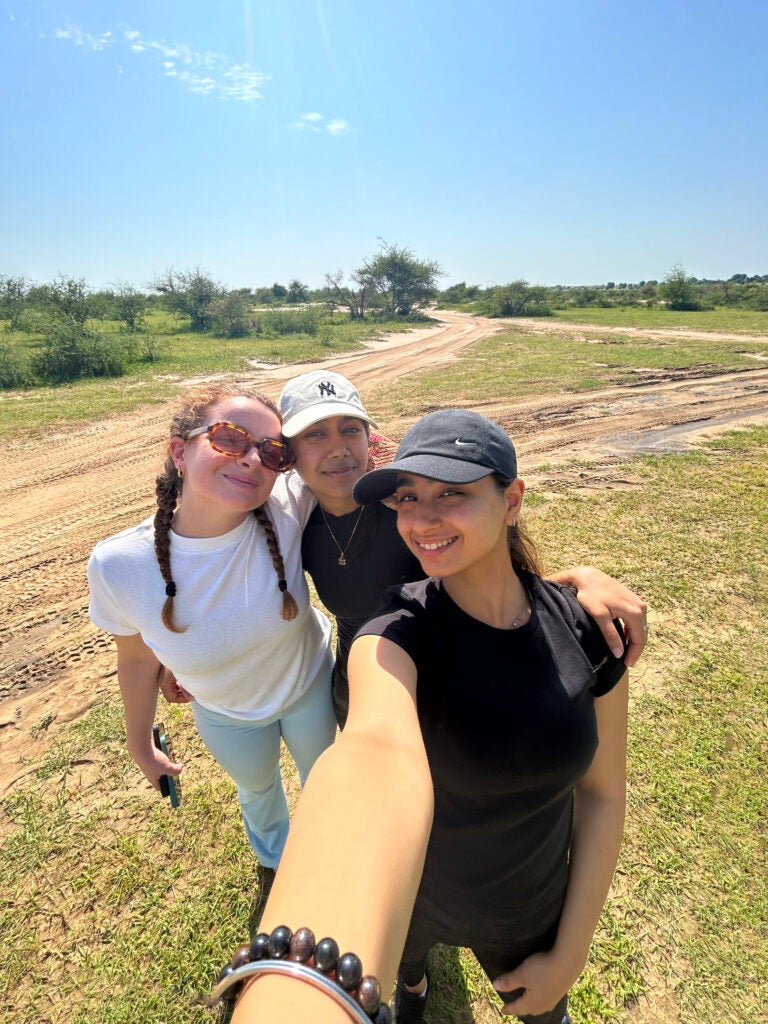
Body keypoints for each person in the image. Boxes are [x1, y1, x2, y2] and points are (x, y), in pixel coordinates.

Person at [227, 409, 631, 1024]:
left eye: (453, 494)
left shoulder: (588, 629)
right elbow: (370, 759)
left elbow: (602, 795)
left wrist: (570, 956)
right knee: (408, 979)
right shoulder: (393, 638)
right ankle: (412, 986)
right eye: (408, 496)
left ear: (512, 500)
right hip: (414, 900)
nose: (421, 519)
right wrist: (298, 989)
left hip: (528, 911)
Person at [276, 370, 646, 727]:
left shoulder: (405, 505)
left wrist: (574, 583)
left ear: (366, 436)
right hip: (359, 678)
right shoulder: (291, 521)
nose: (338, 449)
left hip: (449, 671)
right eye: (315, 435)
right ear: (288, 452)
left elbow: (491, 570)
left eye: (350, 429)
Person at [87, 384, 336, 871]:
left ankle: (331, 863)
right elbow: (136, 658)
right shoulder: (119, 564)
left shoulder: (288, 501)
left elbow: (345, 454)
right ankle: (276, 863)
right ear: (180, 451)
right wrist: (140, 745)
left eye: (272, 450)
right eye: (229, 438)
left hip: (311, 686)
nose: (251, 460)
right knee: (258, 791)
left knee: (327, 783)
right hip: (227, 714)